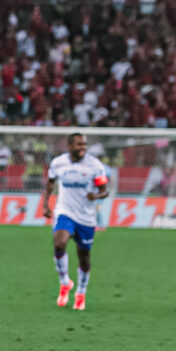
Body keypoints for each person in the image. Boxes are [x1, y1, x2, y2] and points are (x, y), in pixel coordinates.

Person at [43, 133, 109, 310]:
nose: (82, 148)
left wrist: (96, 195)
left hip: (86, 217)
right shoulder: (58, 163)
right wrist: (46, 204)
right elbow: (50, 182)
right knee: (59, 243)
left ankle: (81, 292)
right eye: (79, 145)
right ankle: (65, 282)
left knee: (84, 256)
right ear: (69, 146)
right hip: (65, 212)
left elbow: (105, 190)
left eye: (84, 145)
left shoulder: (94, 165)